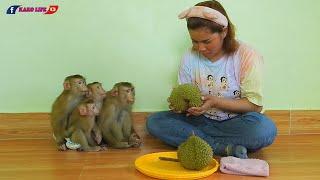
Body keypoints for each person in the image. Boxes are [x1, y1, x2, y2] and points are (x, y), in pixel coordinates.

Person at [146, 0, 277, 159]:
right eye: (194, 41)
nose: (200, 48)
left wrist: (215, 102)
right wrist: (182, 106)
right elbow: (187, 99)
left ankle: (199, 141)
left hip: (237, 122)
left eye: (206, 41)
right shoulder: (189, 57)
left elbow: (254, 106)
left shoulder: (247, 55)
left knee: (265, 129)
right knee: (154, 122)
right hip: (200, 120)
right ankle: (223, 148)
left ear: (224, 32)